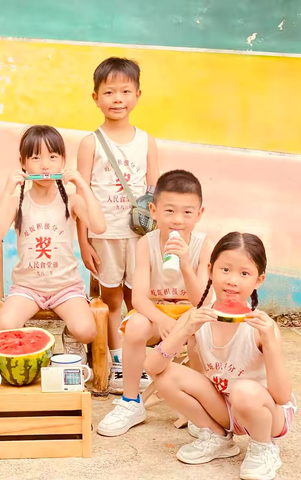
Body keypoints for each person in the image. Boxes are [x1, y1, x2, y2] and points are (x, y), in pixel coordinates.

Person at [145, 232, 296, 480]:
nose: (233, 281)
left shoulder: (262, 328)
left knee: (244, 391)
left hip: (267, 413)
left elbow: (280, 396)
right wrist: (183, 330)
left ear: (259, 280)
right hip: (225, 406)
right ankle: (218, 438)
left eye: (244, 274)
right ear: (210, 269)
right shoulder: (197, 317)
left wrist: (270, 343)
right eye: (225, 270)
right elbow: (152, 367)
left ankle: (263, 448)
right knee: (166, 375)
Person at [97, 169, 212, 436]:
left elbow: (202, 300)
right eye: (169, 211)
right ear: (154, 210)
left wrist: (184, 263)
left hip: (192, 312)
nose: (178, 220)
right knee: (136, 327)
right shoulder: (146, 244)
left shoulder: (203, 245)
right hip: (157, 311)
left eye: (187, 212)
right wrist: (161, 320)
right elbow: (138, 298)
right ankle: (130, 402)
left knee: (196, 334)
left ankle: (199, 405)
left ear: (199, 213)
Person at [77, 56, 159, 392]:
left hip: (139, 238)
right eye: (109, 92)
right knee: (111, 301)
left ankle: (135, 360)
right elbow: (80, 199)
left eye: (125, 91)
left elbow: (156, 195)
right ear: (95, 97)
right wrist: (83, 242)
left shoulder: (147, 141)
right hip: (104, 235)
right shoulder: (90, 142)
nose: (117, 99)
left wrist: (159, 240)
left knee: (136, 299)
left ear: (138, 94)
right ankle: (115, 363)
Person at [0, 125, 106, 362]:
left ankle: (71, 337)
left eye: (53, 157)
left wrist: (82, 185)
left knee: (86, 330)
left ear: (63, 161)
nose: (45, 165)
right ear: (23, 163)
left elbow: (99, 226)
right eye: (36, 157)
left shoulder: (71, 200)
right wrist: (7, 190)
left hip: (65, 288)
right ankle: (37, 350)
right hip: (27, 288)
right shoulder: (17, 202)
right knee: (4, 325)